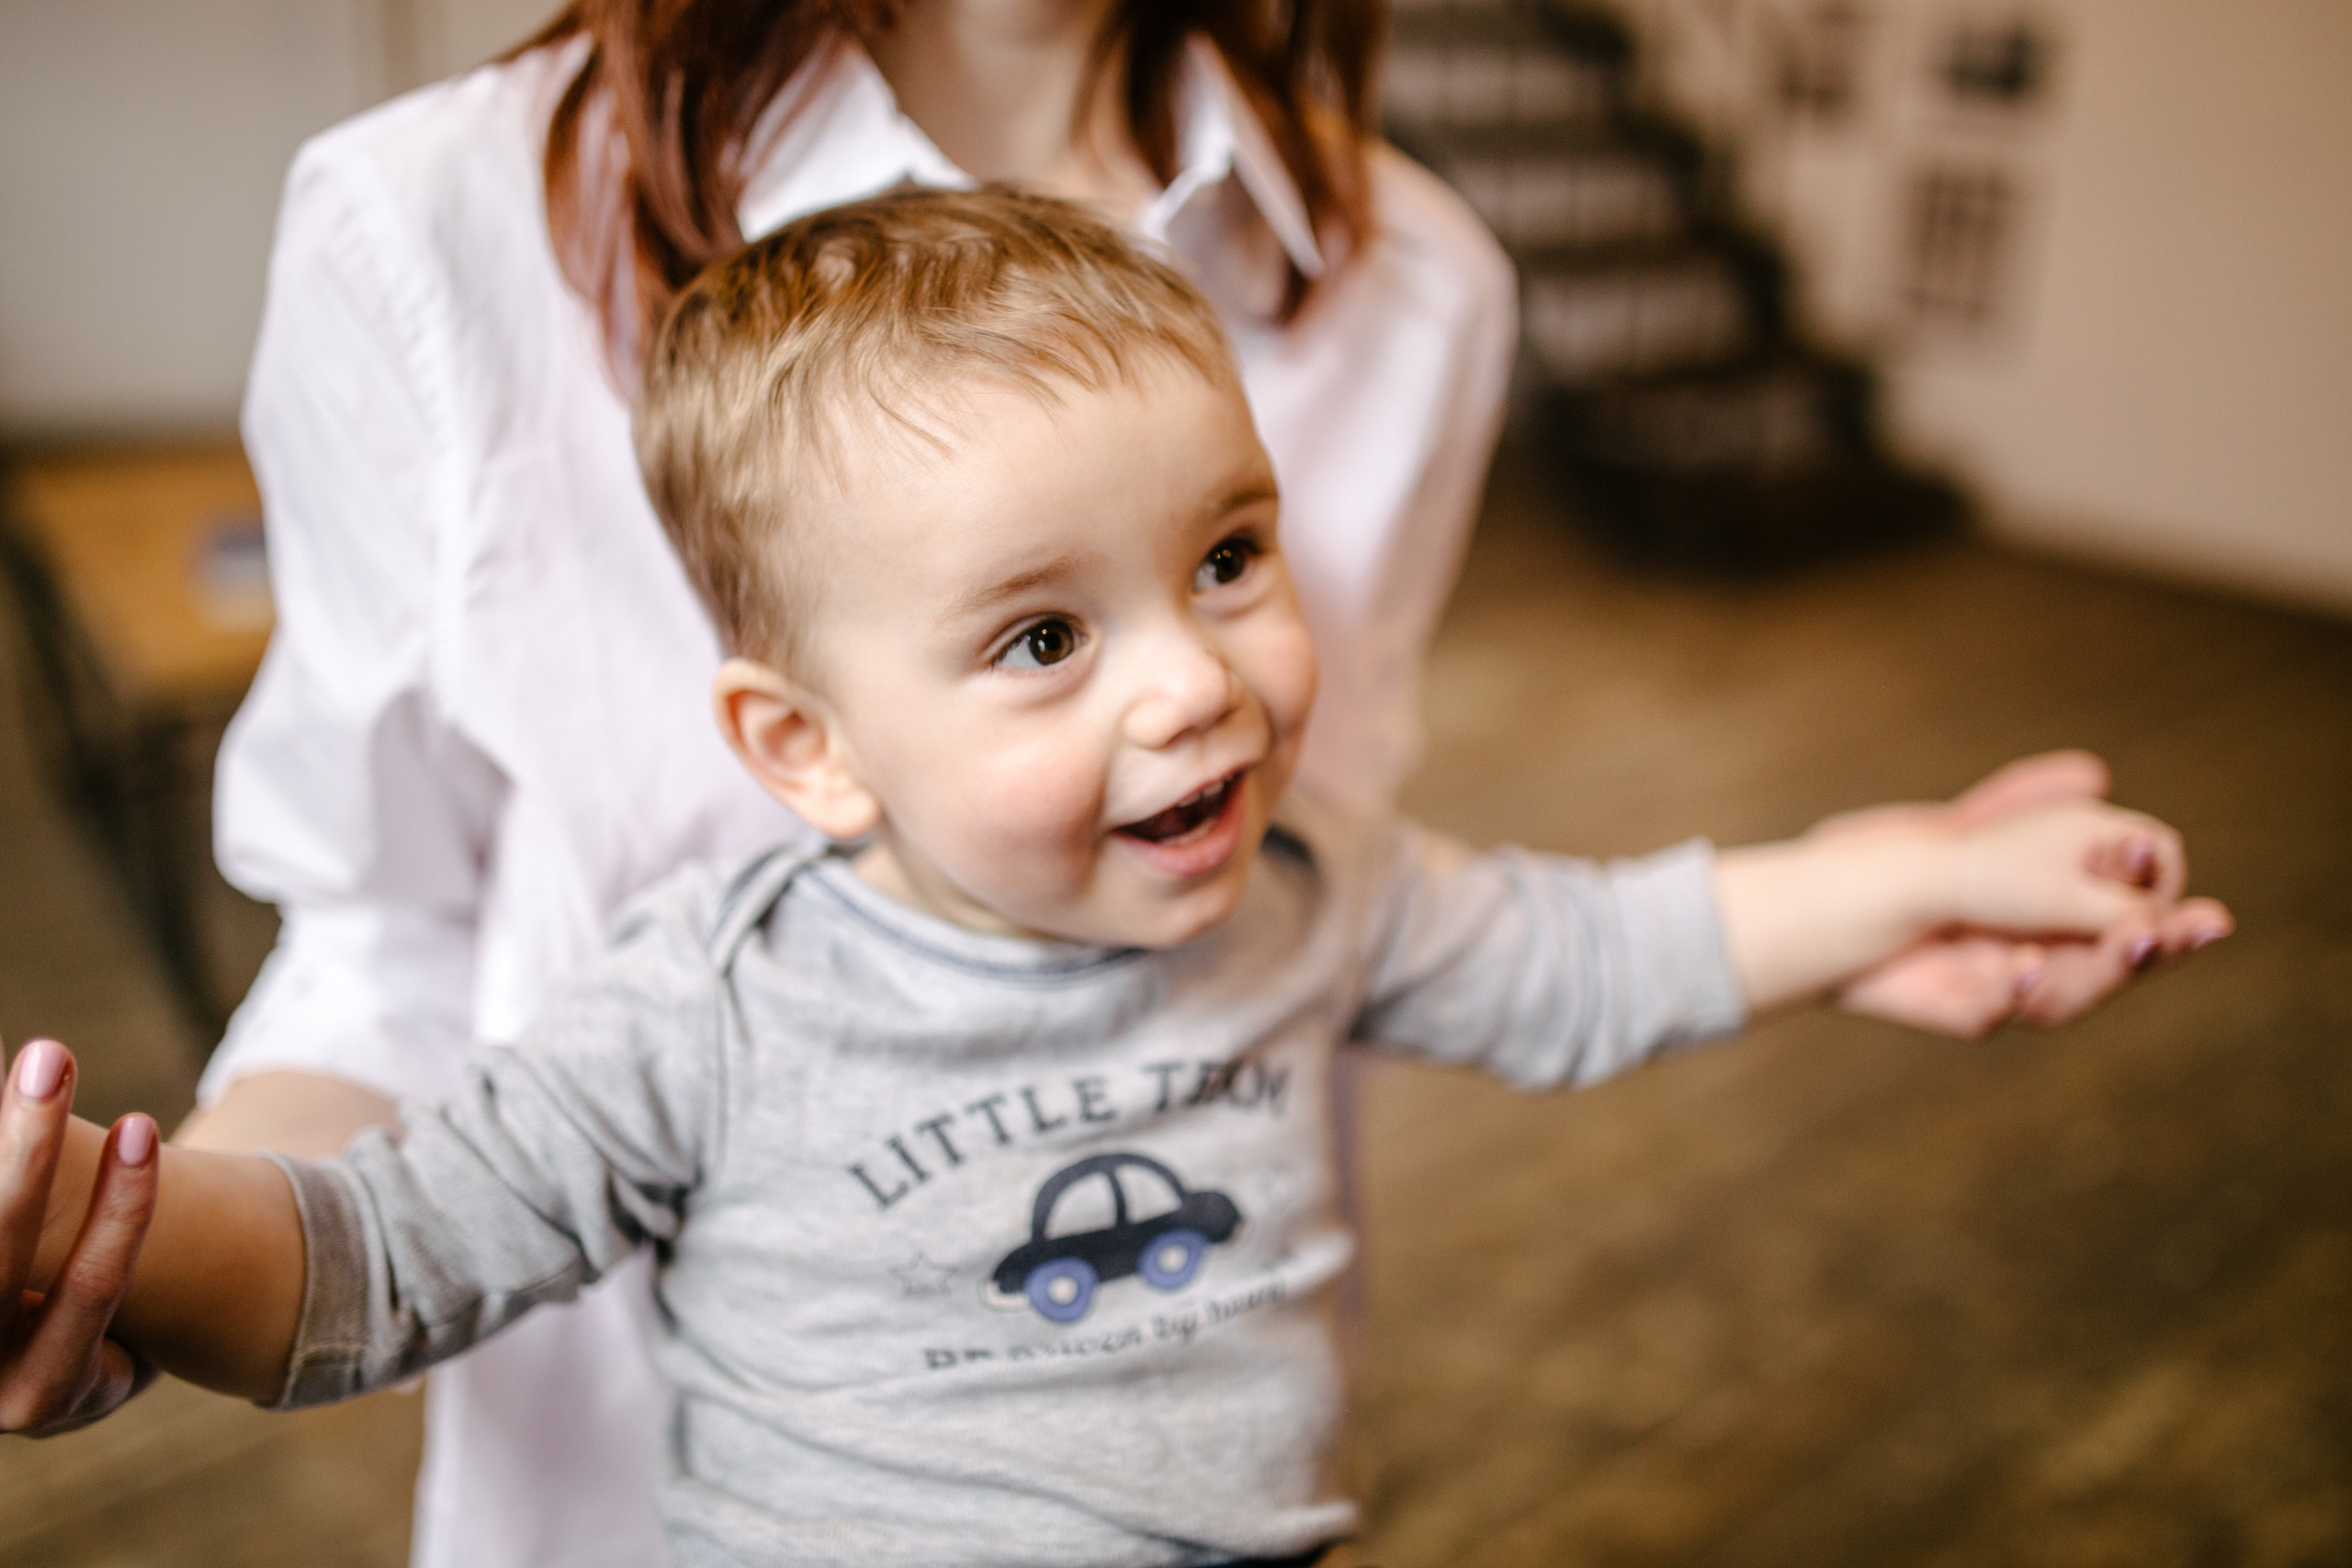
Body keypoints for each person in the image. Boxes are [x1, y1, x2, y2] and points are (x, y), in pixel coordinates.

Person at [0, 0, 2223, 1557]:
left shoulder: (1322, 799)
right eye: (1044, 637)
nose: (1200, 692)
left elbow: (1584, 944)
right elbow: (384, 1233)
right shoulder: (706, 994)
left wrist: (1887, 874)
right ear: (798, 747)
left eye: (1234, 558)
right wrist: (108, 1236)